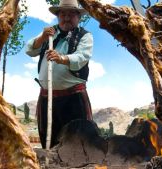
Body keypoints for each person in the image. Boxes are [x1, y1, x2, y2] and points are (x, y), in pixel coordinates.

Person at [25, 0, 93, 148]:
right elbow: (30, 50)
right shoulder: (49, 33)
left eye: (71, 14)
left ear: (78, 17)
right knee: (49, 141)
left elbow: (82, 57)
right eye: (63, 14)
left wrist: (61, 58)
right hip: (46, 97)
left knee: (79, 142)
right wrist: (42, 37)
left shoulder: (85, 36)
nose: (66, 18)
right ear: (57, 16)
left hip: (73, 99)